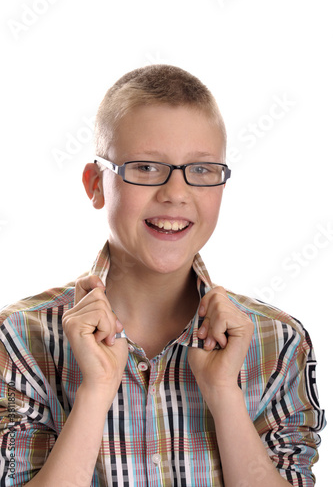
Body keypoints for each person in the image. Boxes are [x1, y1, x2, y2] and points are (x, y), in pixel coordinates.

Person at [0, 65, 325, 487]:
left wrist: (226, 396)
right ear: (96, 184)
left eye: (202, 169)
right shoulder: (21, 340)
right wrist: (95, 392)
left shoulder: (278, 343)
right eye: (146, 167)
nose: (175, 193)